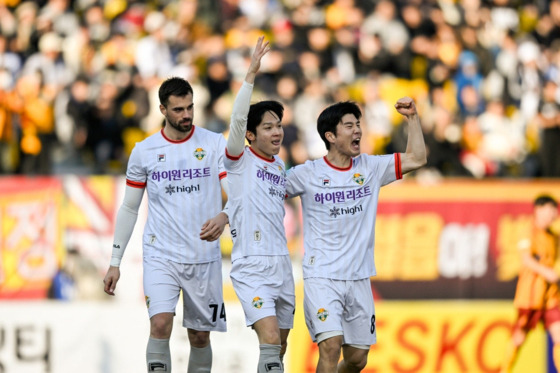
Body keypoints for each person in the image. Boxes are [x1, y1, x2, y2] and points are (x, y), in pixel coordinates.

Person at [285, 98, 426, 372]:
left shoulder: (371, 167)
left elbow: (417, 158)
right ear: (330, 136)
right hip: (322, 275)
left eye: (358, 124)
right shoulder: (308, 173)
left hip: (359, 276)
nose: (358, 130)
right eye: (349, 125)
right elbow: (267, 192)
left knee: (357, 359)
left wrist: (413, 118)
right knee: (330, 344)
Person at [103, 76, 229, 373]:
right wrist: (115, 261)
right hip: (161, 256)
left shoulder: (213, 143)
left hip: (204, 257)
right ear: (162, 109)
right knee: (160, 323)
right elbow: (129, 208)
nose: (186, 115)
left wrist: (225, 216)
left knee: (200, 335)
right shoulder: (144, 151)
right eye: (178, 110)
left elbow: (237, 194)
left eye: (189, 108)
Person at [225, 36, 295, 372]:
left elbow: (245, 201)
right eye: (268, 127)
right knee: (268, 339)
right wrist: (250, 75)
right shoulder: (239, 158)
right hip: (251, 265)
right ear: (251, 135)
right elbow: (237, 120)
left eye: (279, 125)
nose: (277, 132)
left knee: (279, 348)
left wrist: (225, 215)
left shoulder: (279, 166)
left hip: (282, 264)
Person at [501, 195, 560, 373]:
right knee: (518, 338)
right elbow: (526, 259)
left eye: (555, 210)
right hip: (530, 296)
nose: (553, 214)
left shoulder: (554, 237)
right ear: (538, 209)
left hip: (550, 297)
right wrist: (547, 272)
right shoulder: (527, 231)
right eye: (550, 209)